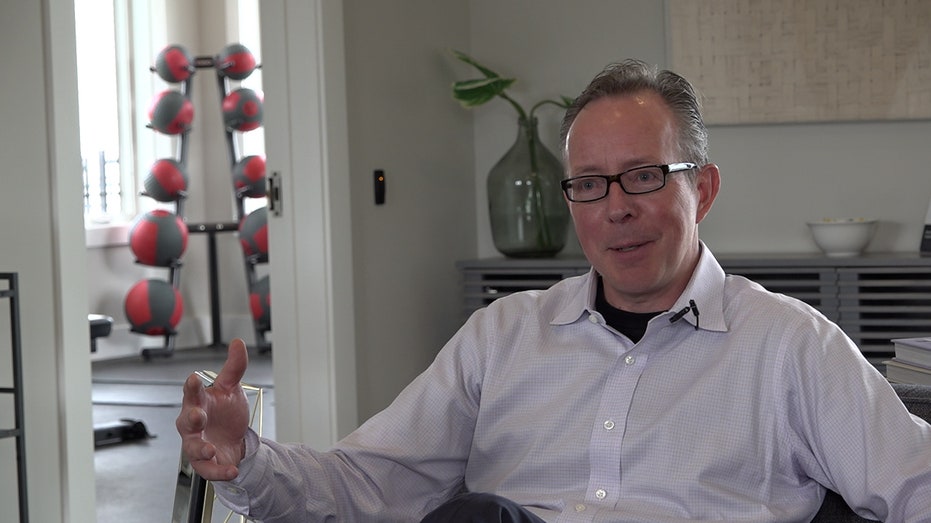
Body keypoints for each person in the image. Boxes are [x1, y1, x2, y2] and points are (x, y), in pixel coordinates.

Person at [177, 59, 931, 522]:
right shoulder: (503, 336)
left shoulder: (790, 344)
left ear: (699, 189)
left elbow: (914, 483)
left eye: (643, 176)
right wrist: (247, 457)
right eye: (589, 184)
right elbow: (368, 485)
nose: (616, 207)